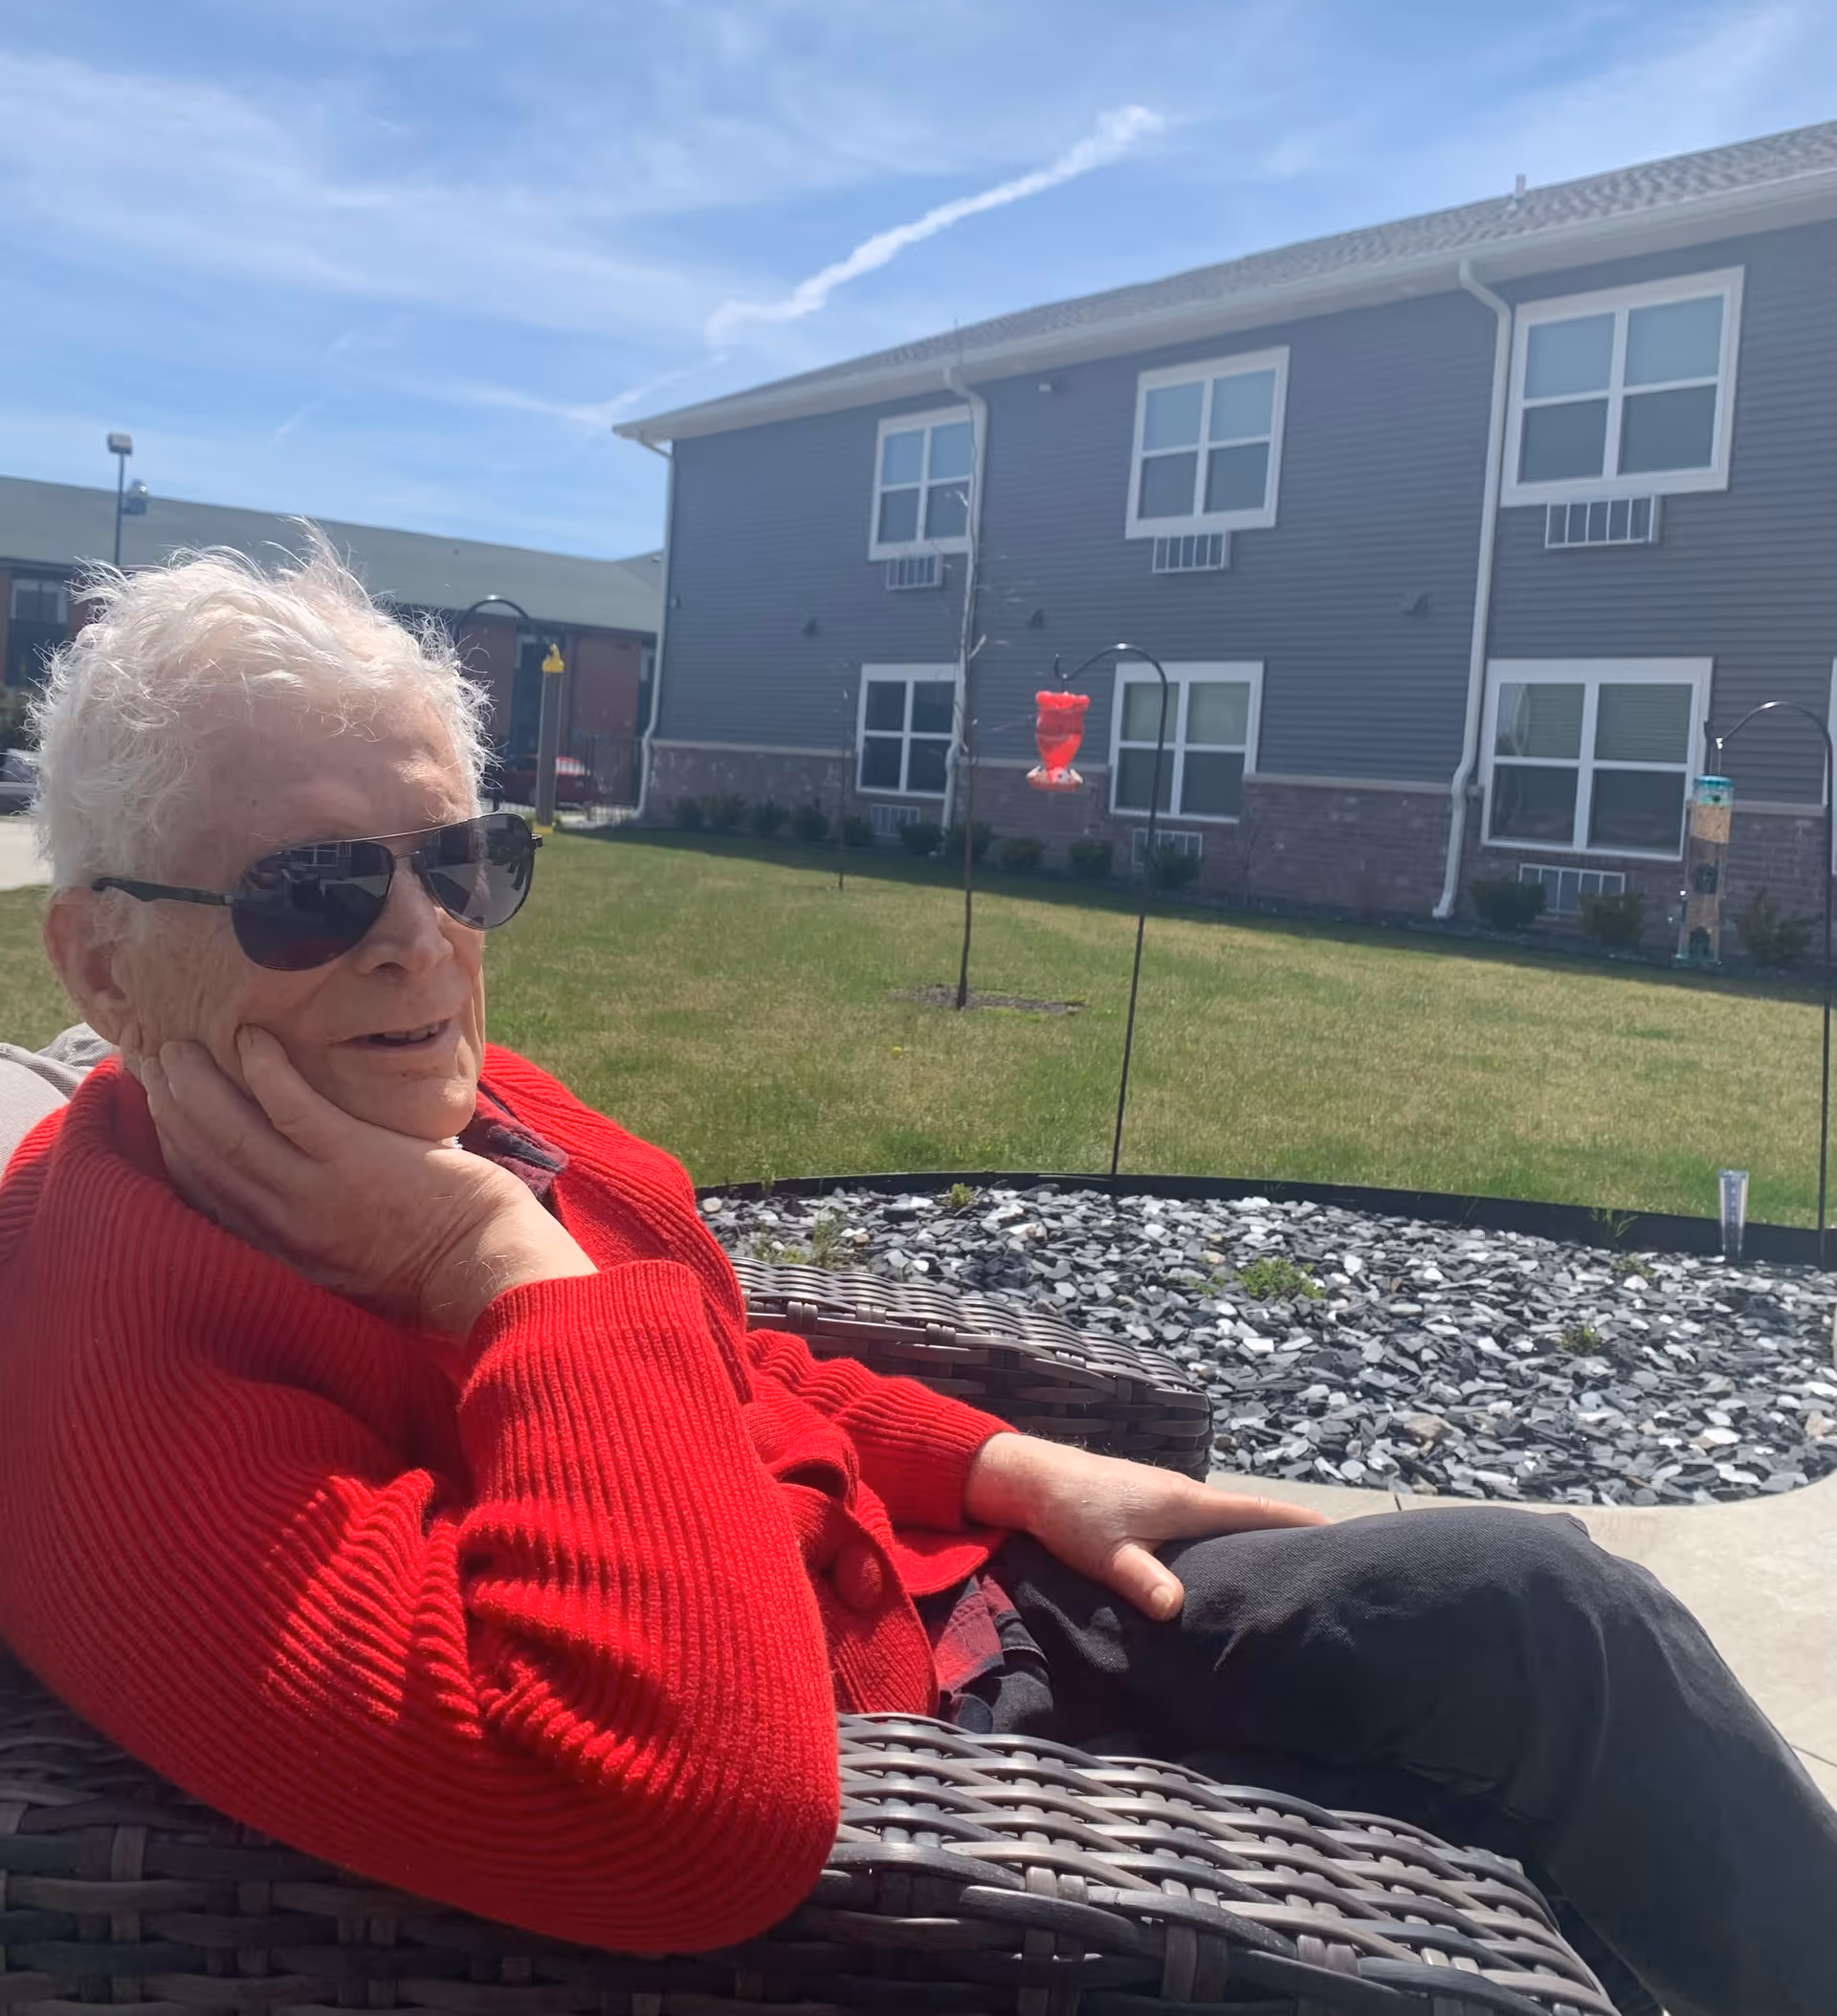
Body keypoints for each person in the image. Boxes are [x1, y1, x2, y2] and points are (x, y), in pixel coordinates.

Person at [1, 540, 1831, 2016]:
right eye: (316, 888)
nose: (420, 939)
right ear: (101, 959)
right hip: (921, 1785)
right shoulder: (100, 1365)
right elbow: (672, 1814)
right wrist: (491, 1262)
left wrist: (1001, 1464)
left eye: (462, 865)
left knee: (1536, 1607)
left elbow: (707, 1356)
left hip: (963, 1598)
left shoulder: (431, 1102)